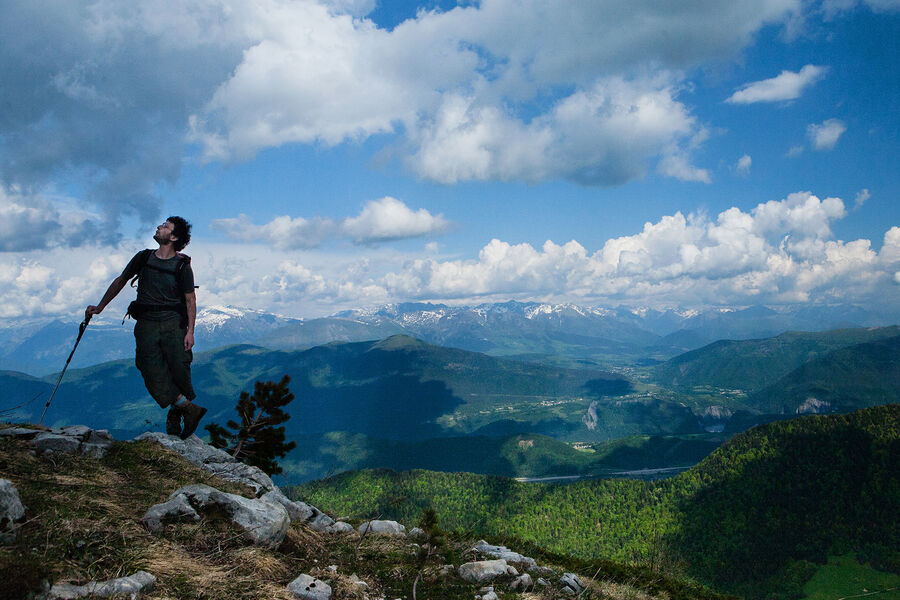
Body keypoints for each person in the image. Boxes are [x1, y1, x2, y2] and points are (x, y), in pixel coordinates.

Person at [85, 217, 206, 439]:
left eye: (165, 227)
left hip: (173, 323)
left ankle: (177, 411)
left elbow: (191, 300)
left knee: (179, 367)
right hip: (147, 322)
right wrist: (100, 306)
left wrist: (190, 331)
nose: (159, 227)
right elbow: (121, 280)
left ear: (173, 237)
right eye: (161, 224)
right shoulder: (143, 257)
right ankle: (186, 407)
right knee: (148, 365)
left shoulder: (182, 267)